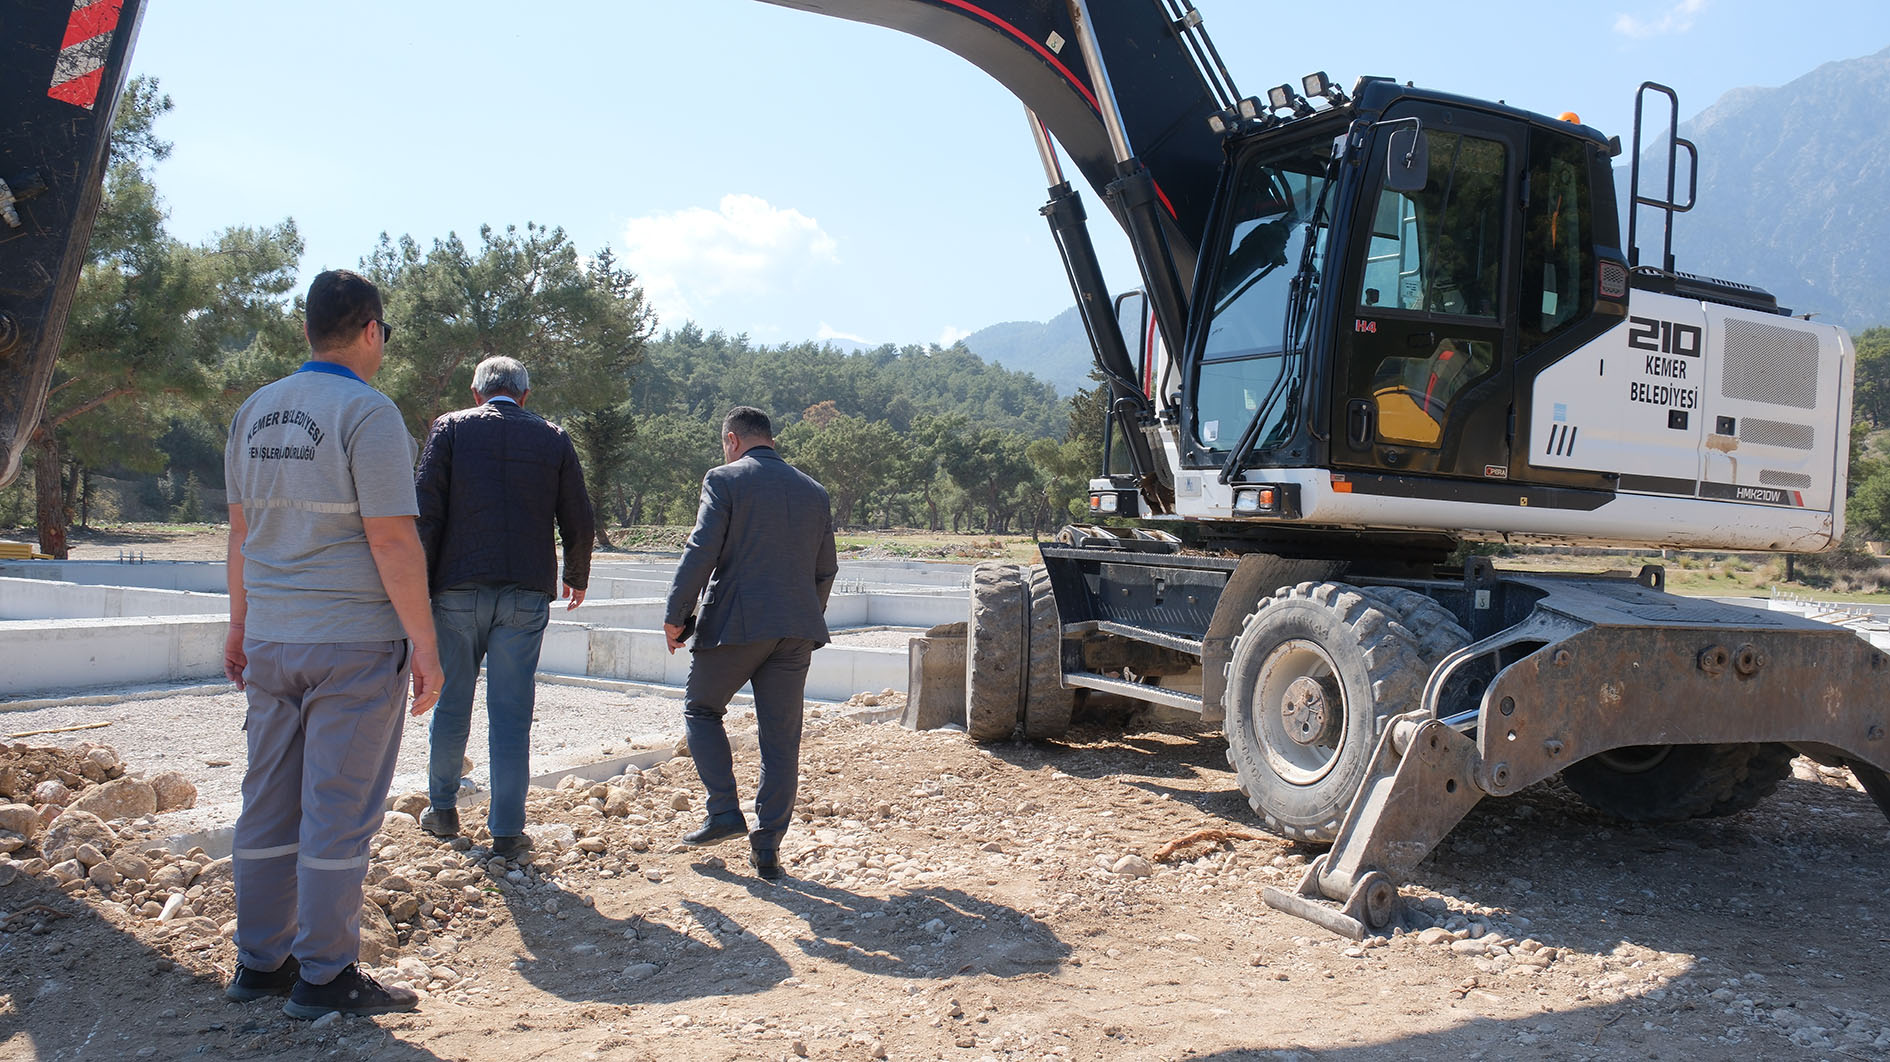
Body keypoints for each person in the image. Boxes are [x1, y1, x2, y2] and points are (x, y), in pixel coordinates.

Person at [221, 269, 444, 1019]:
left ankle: (261, 964)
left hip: (274, 641)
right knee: (337, 812)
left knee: (266, 803)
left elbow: (241, 534)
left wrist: (240, 625)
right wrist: (425, 642)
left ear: (307, 331)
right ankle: (325, 976)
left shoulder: (254, 411)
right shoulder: (368, 412)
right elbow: (390, 537)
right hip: (351, 643)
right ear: (373, 331)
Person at [413, 356, 594, 859]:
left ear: (476, 393)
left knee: (452, 703)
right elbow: (579, 517)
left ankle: (443, 810)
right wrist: (575, 576)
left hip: (457, 588)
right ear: (524, 396)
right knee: (512, 714)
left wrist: (418, 586)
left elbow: (425, 514)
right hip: (526, 592)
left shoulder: (450, 429)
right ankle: (508, 832)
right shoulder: (553, 438)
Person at [663, 406, 837, 880]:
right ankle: (768, 846)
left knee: (701, 709)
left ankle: (723, 811)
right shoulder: (814, 491)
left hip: (736, 625)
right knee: (781, 738)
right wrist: (804, 613)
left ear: (732, 440)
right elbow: (826, 569)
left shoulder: (724, 480)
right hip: (797, 628)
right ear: (771, 439)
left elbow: (701, 550)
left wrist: (677, 616)